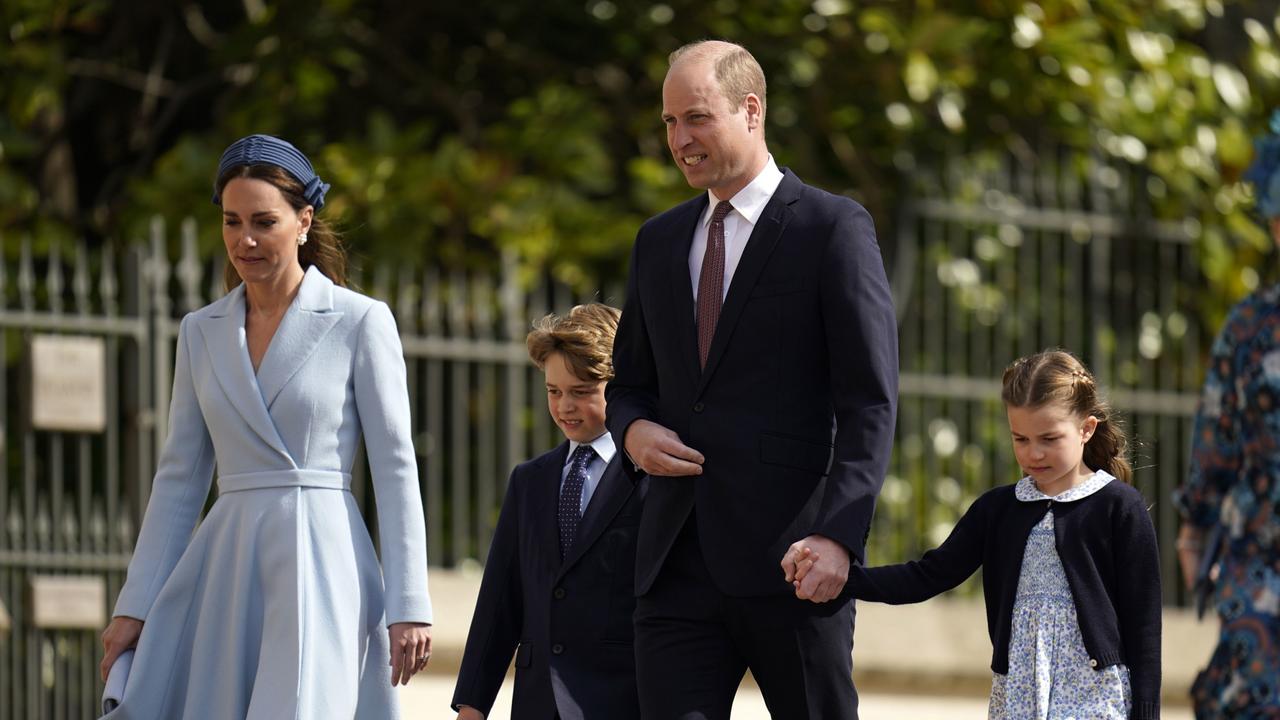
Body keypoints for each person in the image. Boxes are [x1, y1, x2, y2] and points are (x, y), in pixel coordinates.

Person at [606, 40, 898, 718]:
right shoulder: (658, 240)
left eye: (697, 117)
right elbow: (630, 387)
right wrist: (635, 431)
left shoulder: (832, 228)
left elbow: (870, 403)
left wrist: (839, 536)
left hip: (796, 566)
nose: (680, 139)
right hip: (674, 565)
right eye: (669, 123)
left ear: (751, 109)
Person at [97, 134, 433, 719]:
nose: (244, 240)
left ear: (304, 222)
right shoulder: (199, 332)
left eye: (263, 221)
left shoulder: (360, 321)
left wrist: (410, 603)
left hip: (320, 559)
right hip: (225, 564)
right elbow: (178, 481)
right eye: (231, 222)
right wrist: (136, 604)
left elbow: (396, 468)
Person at [807, 350, 1160, 719]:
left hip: (1096, 696)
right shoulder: (998, 510)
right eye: (1020, 439)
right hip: (1018, 695)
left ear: (1086, 429)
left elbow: (1144, 621)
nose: (1033, 453)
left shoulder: (1121, 506)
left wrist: (1147, 712)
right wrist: (844, 578)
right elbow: (927, 576)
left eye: (1049, 438)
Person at [452, 303, 645, 720]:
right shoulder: (529, 480)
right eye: (553, 392)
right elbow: (500, 601)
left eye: (581, 392)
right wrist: (472, 705)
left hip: (621, 699)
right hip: (538, 703)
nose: (564, 407)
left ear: (622, 387)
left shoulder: (650, 477)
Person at [1173, 111, 1280, 717]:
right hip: (1257, 545)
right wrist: (1194, 530)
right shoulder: (1250, 325)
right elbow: (1216, 436)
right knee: (1249, 698)